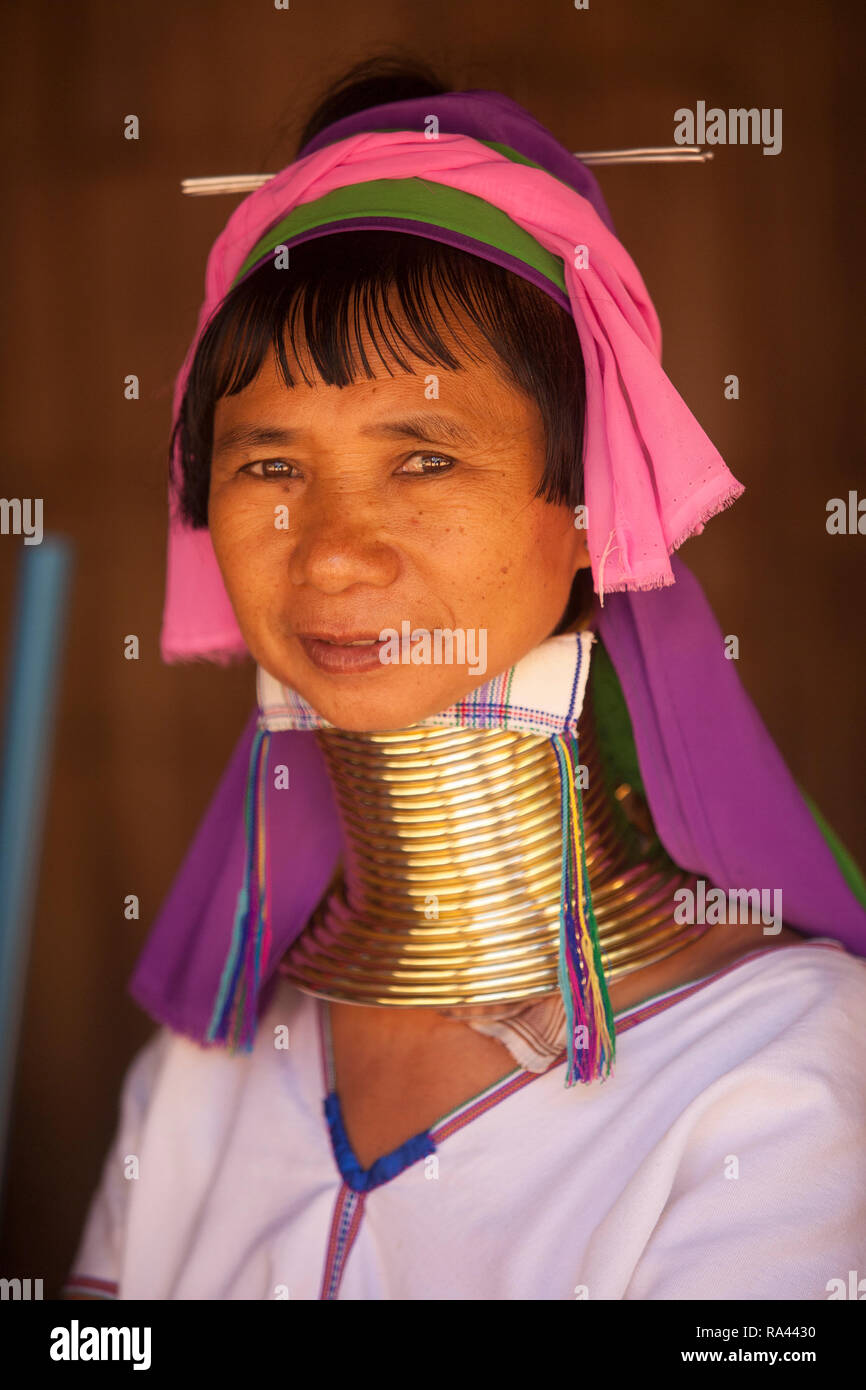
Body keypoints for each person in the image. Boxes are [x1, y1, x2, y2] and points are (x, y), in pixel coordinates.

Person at [62, 55, 866, 1301]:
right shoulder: (197, 1072)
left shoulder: (775, 1069)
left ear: (599, 499)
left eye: (424, 459)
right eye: (268, 466)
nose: (330, 551)